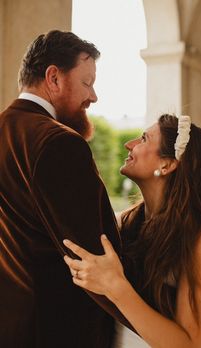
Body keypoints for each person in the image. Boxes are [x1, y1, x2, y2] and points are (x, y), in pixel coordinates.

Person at [0, 30, 122, 348]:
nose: (93, 96)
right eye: (87, 82)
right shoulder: (59, 142)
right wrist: (168, 328)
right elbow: (92, 257)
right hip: (57, 332)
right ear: (53, 77)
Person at [64, 114, 201, 348]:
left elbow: (189, 345)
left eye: (144, 139)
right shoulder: (125, 223)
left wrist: (115, 285)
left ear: (167, 164)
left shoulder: (197, 237)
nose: (128, 144)